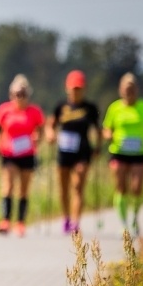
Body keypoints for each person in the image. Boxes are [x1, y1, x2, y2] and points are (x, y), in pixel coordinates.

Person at [46, 70, 101, 234]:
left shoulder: (90, 108)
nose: (76, 92)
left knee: (78, 186)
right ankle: (66, 219)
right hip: (64, 151)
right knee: (63, 188)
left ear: (84, 89)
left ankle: (76, 222)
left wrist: (98, 147)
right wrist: (50, 134)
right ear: (67, 88)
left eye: (79, 88)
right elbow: (51, 124)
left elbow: (98, 130)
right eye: (73, 88)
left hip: (83, 152)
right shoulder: (61, 106)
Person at [0, 74, 46, 236]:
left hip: (27, 153)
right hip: (9, 153)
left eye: (23, 94)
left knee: (23, 189)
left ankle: (20, 222)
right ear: (11, 95)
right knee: (8, 185)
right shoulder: (4, 110)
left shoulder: (34, 111)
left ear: (28, 95)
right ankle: (5, 220)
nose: (19, 98)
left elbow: (41, 129)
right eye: (16, 94)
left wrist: (39, 138)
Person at [102, 72, 143, 236]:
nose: (128, 92)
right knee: (121, 187)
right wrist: (108, 135)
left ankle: (135, 217)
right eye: (126, 89)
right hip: (119, 152)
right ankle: (124, 223)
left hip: (140, 152)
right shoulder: (115, 108)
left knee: (137, 187)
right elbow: (106, 128)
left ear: (136, 90)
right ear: (120, 90)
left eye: (131, 89)